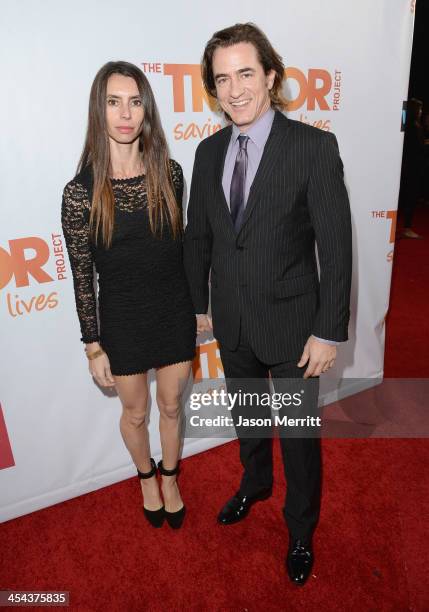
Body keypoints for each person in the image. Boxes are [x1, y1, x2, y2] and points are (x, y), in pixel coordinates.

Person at [184, 23, 352, 584]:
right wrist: (198, 306)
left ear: (272, 76)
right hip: (232, 323)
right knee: (249, 421)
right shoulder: (207, 153)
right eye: (222, 78)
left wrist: (328, 332)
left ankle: (301, 528)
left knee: (300, 439)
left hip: (294, 326)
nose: (234, 89)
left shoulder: (313, 146)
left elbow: (336, 246)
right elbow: (199, 239)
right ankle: (254, 483)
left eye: (246, 74)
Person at [61, 61, 196, 529]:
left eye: (135, 101)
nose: (125, 113)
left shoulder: (170, 174)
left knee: (173, 406)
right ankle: (145, 478)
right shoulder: (81, 193)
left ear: (147, 110)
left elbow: (183, 252)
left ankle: (172, 476)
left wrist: (197, 309)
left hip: (173, 311)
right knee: (135, 414)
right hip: (121, 319)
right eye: (113, 102)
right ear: (99, 111)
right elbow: (82, 275)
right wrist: (93, 344)